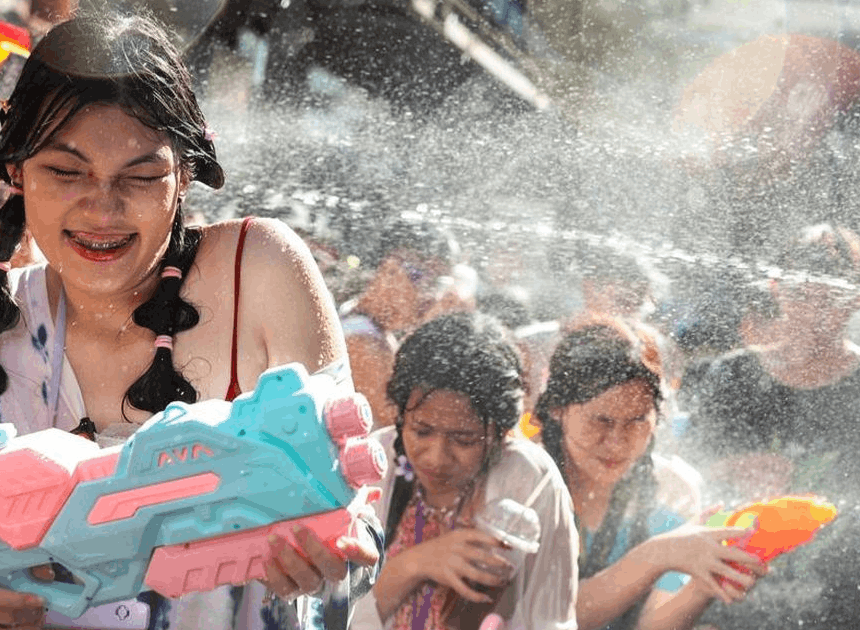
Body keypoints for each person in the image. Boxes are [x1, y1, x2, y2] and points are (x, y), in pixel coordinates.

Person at [0, 12, 379, 630]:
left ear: (185, 176)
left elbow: (361, 525)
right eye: (65, 172)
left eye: (141, 175)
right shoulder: (7, 321)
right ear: (17, 171)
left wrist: (336, 559)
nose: (102, 207)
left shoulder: (257, 270)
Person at [676, 223, 860, 629]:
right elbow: (681, 481)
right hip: (728, 594)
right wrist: (728, 469)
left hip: (838, 602)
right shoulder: (733, 375)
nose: (813, 314)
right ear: (777, 289)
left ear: (855, 300)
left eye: (830, 299)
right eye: (801, 296)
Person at [534, 317, 767, 630]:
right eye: (601, 421)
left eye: (637, 420)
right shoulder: (524, 481)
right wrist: (658, 554)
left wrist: (703, 584)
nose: (616, 443)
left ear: (657, 416)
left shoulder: (672, 491)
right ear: (556, 408)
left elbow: (652, 625)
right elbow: (544, 615)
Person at [350, 312, 579, 630]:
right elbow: (334, 614)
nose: (437, 458)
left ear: (499, 432)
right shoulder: (374, 463)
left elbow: (551, 620)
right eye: (422, 431)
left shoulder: (530, 479)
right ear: (401, 416)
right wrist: (415, 564)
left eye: (464, 439)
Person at [339, 216, 458, 429]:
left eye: (439, 284)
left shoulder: (368, 327)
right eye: (420, 277)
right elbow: (410, 425)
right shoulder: (361, 342)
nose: (431, 295)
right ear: (389, 270)